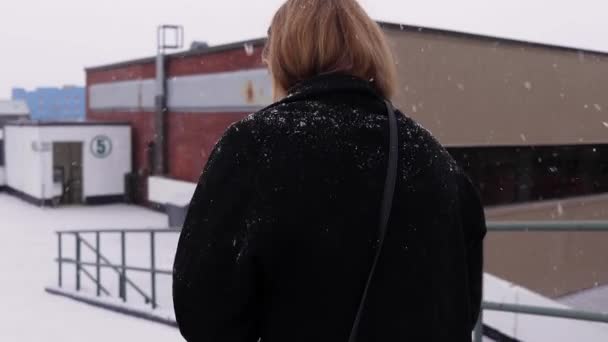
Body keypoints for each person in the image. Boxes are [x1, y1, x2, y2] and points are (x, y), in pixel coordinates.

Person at [173, 0, 486, 341]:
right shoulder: (435, 159)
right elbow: (463, 305)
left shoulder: (254, 146)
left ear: (283, 56)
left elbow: (203, 312)